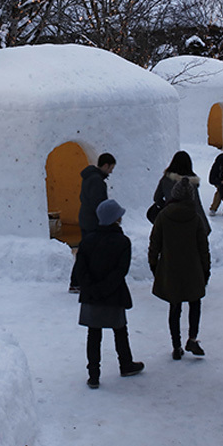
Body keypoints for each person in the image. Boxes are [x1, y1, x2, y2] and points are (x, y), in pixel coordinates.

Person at [74, 198, 144, 388]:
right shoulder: (123, 242)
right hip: (114, 294)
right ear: (116, 219)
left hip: (91, 296)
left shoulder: (87, 241)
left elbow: (80, 269)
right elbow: (121, 271)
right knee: (120, 331)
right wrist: (105, 289)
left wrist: (92, 289)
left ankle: (94, 375)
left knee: (93, 335)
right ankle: (126, 364)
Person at [149, 177, 211, 360]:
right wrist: (205, 271)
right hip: (193, 269)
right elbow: (203, 248)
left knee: (174, 307)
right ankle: (192, 338)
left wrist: (154, 266)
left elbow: (154, 244)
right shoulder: (195, 218)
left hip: (170, 268)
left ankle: (176, 345)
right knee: (195, 303)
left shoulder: (163, 216)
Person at [69, 152, 116, 291]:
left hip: (85, 218)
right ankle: (78, 282)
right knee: (88, 253)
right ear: (105, 165)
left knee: (85, 252)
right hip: (92, 222)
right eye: (111, 168)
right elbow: (99, 204)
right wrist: (106, 220)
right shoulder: (97, 181)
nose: (111, 172)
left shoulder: (89, 177)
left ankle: (77, 282)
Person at [152, 151, 211, 235]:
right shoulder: (191, 184)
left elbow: (156, 198)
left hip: (169, 217)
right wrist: (205, 227)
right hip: (188, 220)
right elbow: (197, 205)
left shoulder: (166, 179)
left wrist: (166, 206)